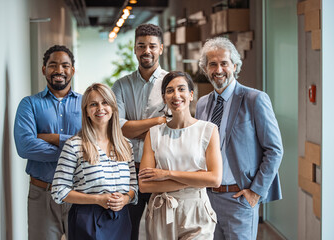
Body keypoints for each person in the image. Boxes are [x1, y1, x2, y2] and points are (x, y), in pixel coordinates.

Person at [195, 37, 283, 240]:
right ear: (205, 69)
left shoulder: (254, 99)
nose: (218, 69)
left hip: (239, 198)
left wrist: (255, 192)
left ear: (234, 66)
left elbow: (274, 149)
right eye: (212, 64)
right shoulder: (202, 104)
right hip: (207, 198)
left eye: (224, 63)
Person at [138, 71, 222, 239]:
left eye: (181, 89)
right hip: (161, 211)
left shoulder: (208, 130)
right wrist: (194, 180)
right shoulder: (154, 133)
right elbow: (145, 185)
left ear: (191, 95)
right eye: (170, 91)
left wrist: (167, 174)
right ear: (164, 98)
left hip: (196, 210)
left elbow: (214, 179)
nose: (176, 95)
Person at [51, 83, 138, 240]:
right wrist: (97, 199)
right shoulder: (74, 145)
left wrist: (125, 199)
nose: (100, 108)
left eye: (105, 102)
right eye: (93, 104)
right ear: (86, 112)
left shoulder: (126, 145)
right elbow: (59, 191)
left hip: (121, 219)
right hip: (87, 219)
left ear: (113, 107)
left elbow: (133, 187)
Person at [14, 45, 82, 239]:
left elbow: (94, 144)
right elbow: (25, 146)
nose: (59, 70)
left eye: (65, 65)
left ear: (72, 70)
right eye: (53, 65)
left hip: (79, 192)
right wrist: (75, 149)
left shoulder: (87, 104)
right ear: (44, 69)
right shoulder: (29, 104)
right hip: (42, 193)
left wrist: (52, 138)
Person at [111, 23, 168, 240]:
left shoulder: (172, 83)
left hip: (160, 171)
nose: (147, 51)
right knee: (127, 230)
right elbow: (118, 127)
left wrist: (134, 128)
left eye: (152, 46)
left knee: (160, 231)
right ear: (135, 49)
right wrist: (158, 121)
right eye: (141, 46)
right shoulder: (121, 85)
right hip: (127, 171)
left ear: (161, 48)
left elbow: (171, 129)